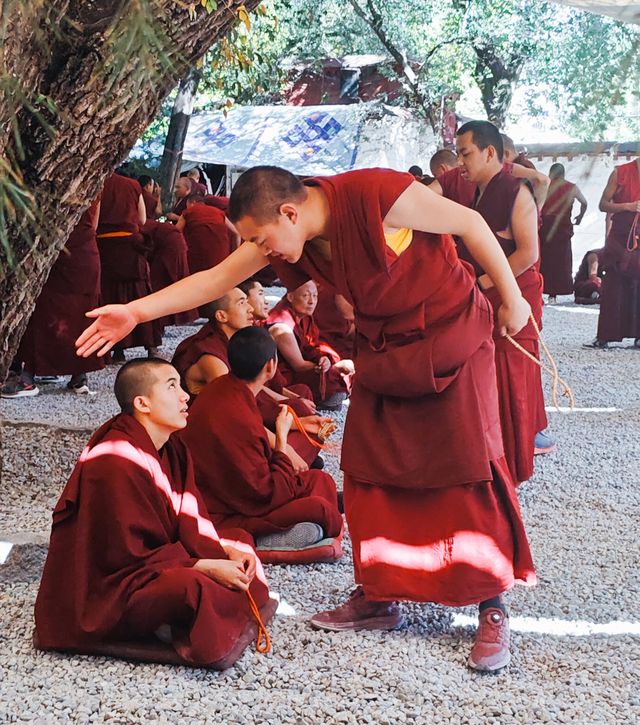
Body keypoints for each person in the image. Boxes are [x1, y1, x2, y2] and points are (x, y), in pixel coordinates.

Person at [76, 164, 537, 672]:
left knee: (467, 466)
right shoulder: (286, 232)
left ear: (289, 213)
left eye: (260, 239)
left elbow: (470, 223)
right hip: (386, 351)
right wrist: (135, 313)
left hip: (452, 337)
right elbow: (215, 279)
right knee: (368, 467)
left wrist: (513, 299)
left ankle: (491, 606)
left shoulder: (377, 194)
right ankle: (380, 594)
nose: (261, 251)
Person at [33, 357, 275, 669]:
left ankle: (174, 620)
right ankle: (169, 622)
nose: (185, 396)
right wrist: (204, 567)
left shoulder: (173, 447)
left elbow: (190, 519)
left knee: (240, 543)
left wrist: (224, 552)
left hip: (157, 562)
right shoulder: (115, 459)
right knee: (195, 589)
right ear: (142, 403)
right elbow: (123, 556)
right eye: (172, 387)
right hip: (110, 589)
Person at [431, 121, 553, 477]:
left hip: (510, 300)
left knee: (511, 385)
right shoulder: (477, 192)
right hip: (484, 300)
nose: (460, 162)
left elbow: (527, 253)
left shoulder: (516, 191)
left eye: (465, 154)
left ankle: (511, 470)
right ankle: (486, 464)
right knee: (484, 384)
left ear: (489, 153)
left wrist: (481, 282)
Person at [182, 327, 343, 553]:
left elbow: (262, 416)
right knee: (322, 510)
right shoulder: (238, 413)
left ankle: (301, 528)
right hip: (225, 511)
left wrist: (296, 426)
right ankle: (270, 537)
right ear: (270, 366)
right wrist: (282, 442)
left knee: (321, 480)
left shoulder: (222, 386)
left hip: (233, 492)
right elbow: (263, 493)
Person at [172, 288, 323, 468]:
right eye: (242, 303)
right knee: (306, 425)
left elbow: (252, 385)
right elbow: (237, 413)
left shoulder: (235, 341)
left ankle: (294, 455)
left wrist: (288, 400)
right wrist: (286, 445)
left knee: (301, 401)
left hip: (243, 413)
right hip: (220, 434)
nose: (250, 308)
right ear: (221, 316)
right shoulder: (211, 359)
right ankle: (285, 461)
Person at [2, 201, 105, 398]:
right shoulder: (95, 186)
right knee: (80, 311)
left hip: (55, 245)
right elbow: (94, 224)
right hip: (84, 248)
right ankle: (78, 376)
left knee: (44, 308)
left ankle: (29, 376)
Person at [97, 171, 161, 361]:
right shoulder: (132, 185)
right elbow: (142, 220)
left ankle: (117, 349)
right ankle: (151, 346)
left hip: (106, 245)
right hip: (130, 244)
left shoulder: (97, 183)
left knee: (110, 294)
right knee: (140, 292)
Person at [267, 280, 353, 410]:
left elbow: (313, 345)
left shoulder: (304, 316)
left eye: (315, 296)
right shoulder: (281, 326)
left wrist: (323, 359)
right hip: (286, 377)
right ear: (290, 296)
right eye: (306, 296)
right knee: (330, 381)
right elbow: (299, 365)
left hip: (306, 368)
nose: (312, 301)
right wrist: (334, 368)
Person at [587, 155, 640, 349]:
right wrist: (628, 206)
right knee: (613, 285)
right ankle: (606, 335)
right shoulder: (621, 172)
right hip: (620, 237)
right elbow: (603, 204)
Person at [540, 164, 587, 303]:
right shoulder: (571, 187)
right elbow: (584, 202)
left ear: (551, 173)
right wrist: (580, 216)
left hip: (545, 227)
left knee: (545, 260)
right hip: (562, 228)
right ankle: (553, 295)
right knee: (560, 261)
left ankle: (540, 290)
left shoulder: (545, 186)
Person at [142, 218, 199, 327]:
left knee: (160, 281)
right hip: (173, 240)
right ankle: (180, 317)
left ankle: (165, 319)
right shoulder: (143, 223)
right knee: (177, 279)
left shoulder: (135, 224)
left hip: (169, 243)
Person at [176, 193, 234, 275]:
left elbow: (175, 233)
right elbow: (236, 233)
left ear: (193, 203)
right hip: (222, 261)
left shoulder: (189, 211)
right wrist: (233, 255)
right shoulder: (219, 212)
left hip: (198, 263)